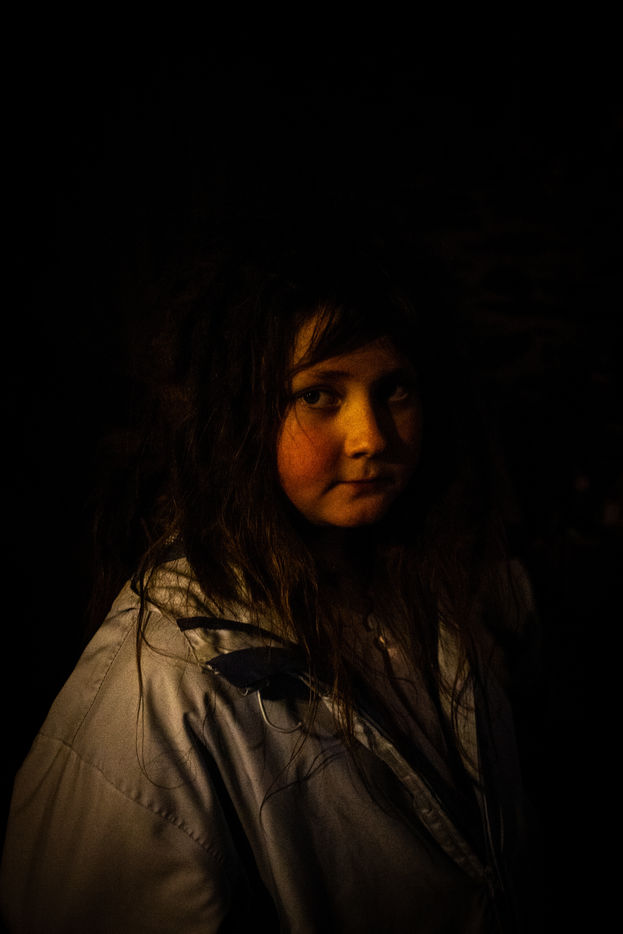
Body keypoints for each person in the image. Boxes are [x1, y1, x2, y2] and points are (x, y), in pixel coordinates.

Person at [0, 213, 542, 932]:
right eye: (319, 394)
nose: (371, 437)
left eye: (395, 390)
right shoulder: (159, 686)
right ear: (240, 415)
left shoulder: (449, 596)